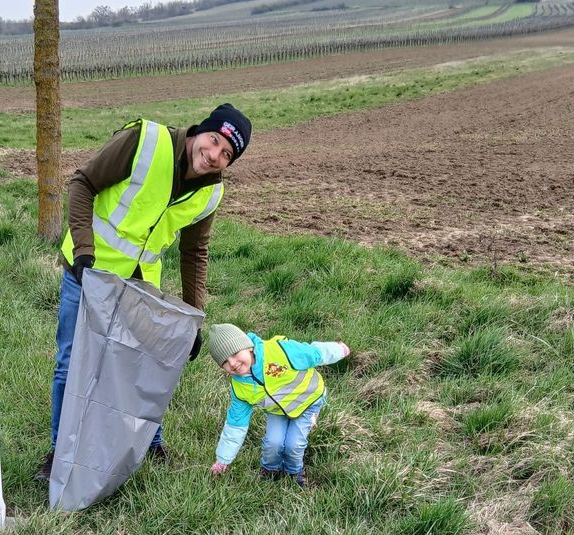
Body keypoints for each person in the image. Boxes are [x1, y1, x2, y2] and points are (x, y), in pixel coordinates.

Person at [35, 104, 253, 482]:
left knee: (146, 364)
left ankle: (150, 442)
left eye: (226, 155)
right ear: (200, 131)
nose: (214, 155)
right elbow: (82, 183)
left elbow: (194, 252)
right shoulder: (145, 141)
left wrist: (191, 319)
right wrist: (85, 250)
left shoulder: (210, 194)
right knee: (71, 364)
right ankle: (60, 451)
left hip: (139, 285)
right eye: (214, 140)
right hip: (88, 272)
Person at [207, 323, 350, 487]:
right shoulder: (240, 387)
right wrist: (223, 459)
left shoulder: (279, 352)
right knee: (273, 442)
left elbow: (313, 353)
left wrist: (338, 350)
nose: (232, 363)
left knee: (294, 444)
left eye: (234, 353)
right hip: (278, 409)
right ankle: (270, 470)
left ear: (249, 347)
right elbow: (235, 424)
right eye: (225, 361)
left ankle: (294, 472)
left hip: (308, 402)